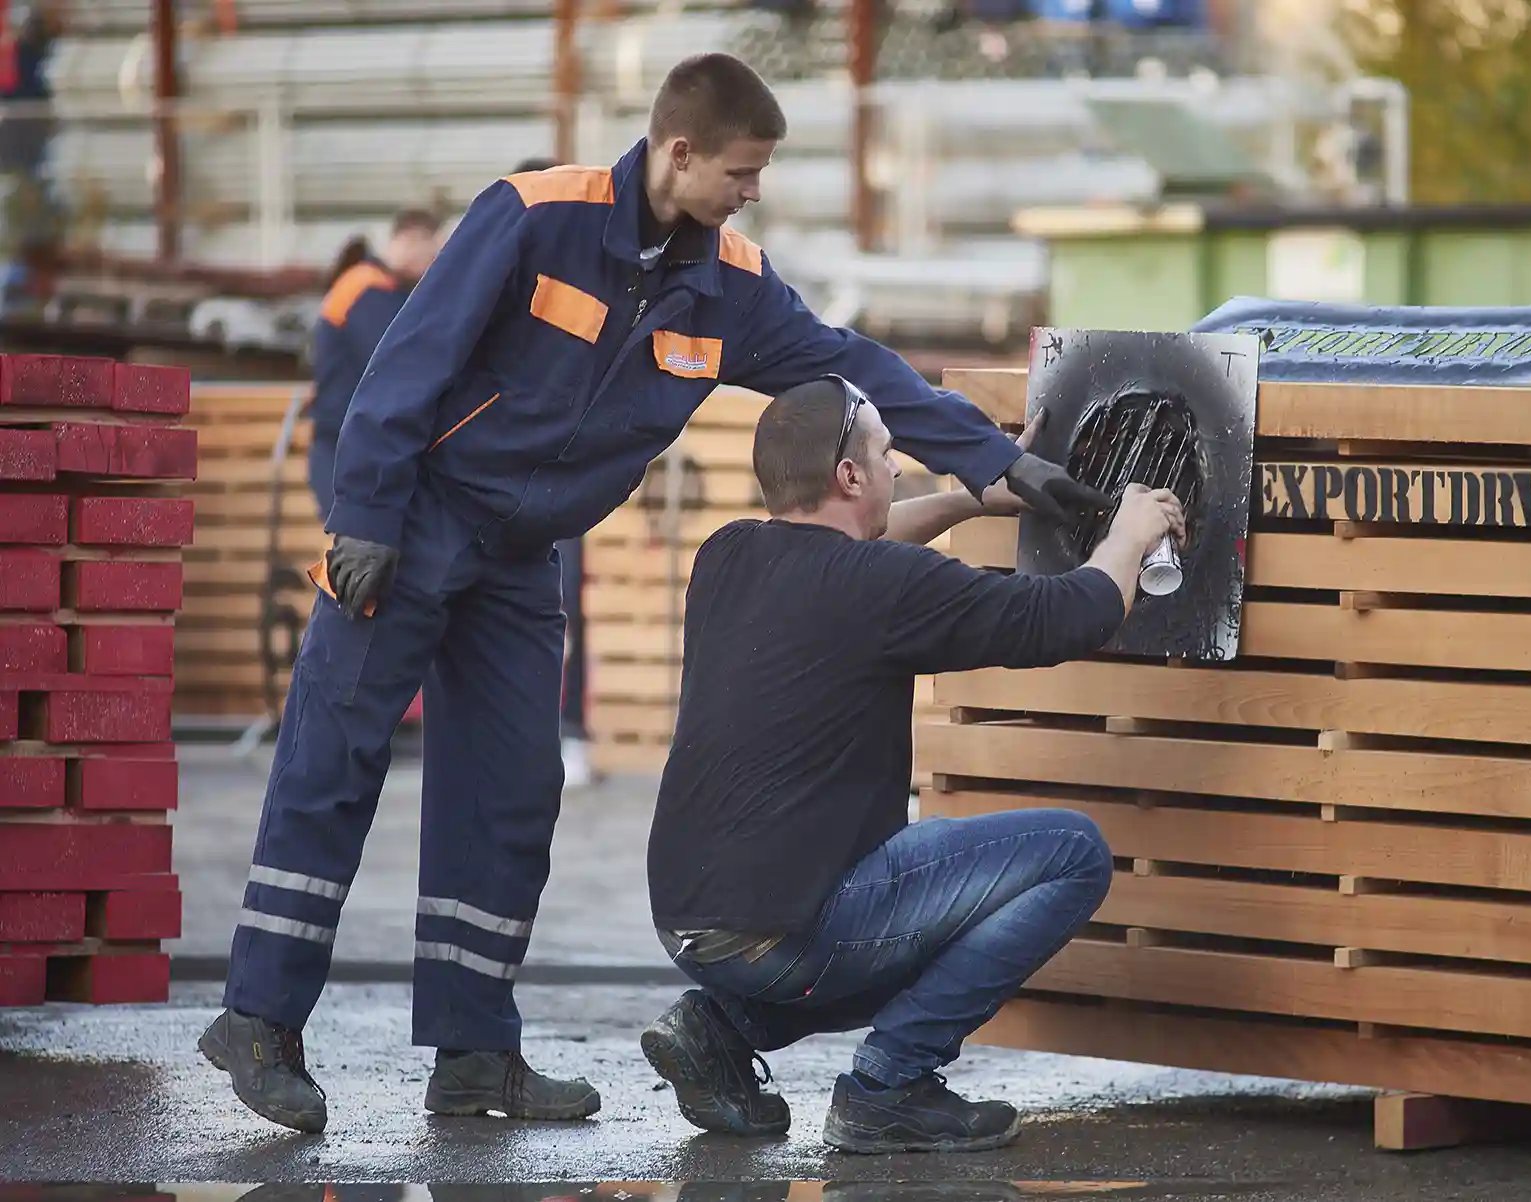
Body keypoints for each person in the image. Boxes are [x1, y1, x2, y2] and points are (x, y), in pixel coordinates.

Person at [197, 52, 1107, 1136]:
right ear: (679, 151)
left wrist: (1001, 467)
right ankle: (258, 1019)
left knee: (511, 792)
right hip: (419, 522)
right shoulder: (532, 217)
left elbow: (856, 362)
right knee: (334, 756)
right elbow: (408, 360)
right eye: (742, 169)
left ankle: (475, 1051)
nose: (753, 191)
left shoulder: (730, 287)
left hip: (524, 556)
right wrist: (365, 516)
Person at [640, 375, 1186, 1153]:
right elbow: (1066, 615)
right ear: (850, 476)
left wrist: (970, 500)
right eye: (887, 455)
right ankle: (889, 1084)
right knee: (1072, 854)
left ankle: (722, 1029)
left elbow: (861, 551)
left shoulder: (727, 558)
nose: (898, 468)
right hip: (788, 930)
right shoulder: (880, 588)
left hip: (691, 926)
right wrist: (1130, 535)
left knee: (912, 922)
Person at [506, 155, 595, 790]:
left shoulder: (587, 285)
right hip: (498, 489)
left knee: (562, 612)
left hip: (557, 489)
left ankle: (567, 732)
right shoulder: (497, 278)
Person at [307, 210, 444, 522]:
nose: (436, 264)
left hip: (356, 453)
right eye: (434, 252)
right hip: (351, 457)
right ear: (412, 241)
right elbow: (404, 367)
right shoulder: (368, 292)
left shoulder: (375, 288)